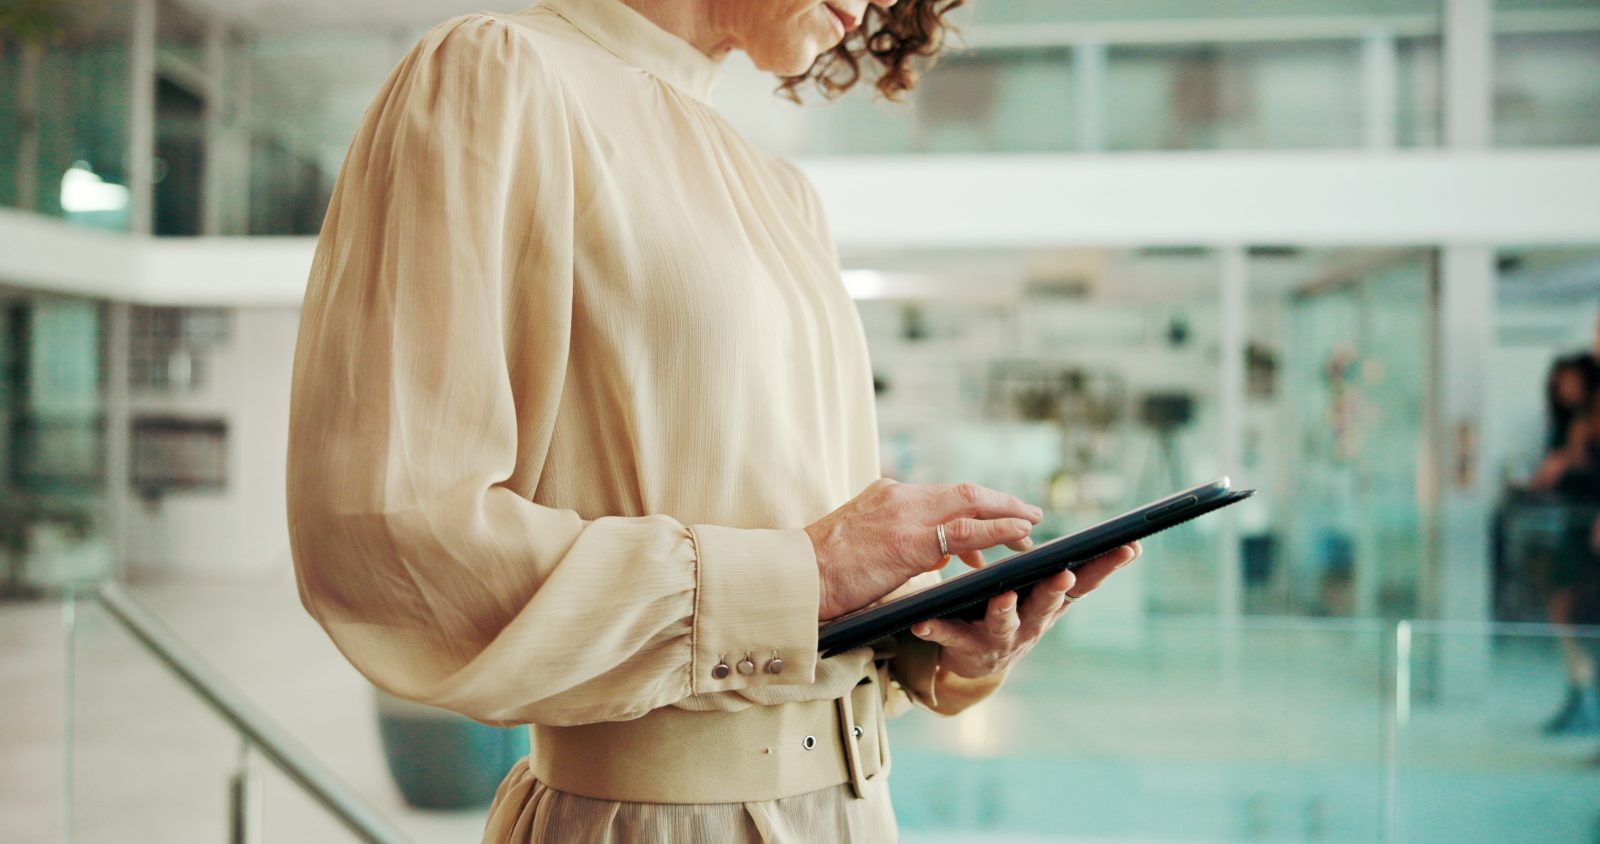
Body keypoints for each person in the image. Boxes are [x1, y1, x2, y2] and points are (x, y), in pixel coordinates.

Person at [283, 0, 1144, 841]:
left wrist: (940, 640)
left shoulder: (786, 195)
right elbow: (386, 534)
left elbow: (809, 564)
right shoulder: (498, 74)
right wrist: (802, 573)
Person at [1531, 353, 1600, 736]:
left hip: (1590, 530)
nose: (1566, 390)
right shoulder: (1569, 424)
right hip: (1577, 531)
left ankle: (1586, 697)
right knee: (1564, 608)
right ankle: (1582, 693)